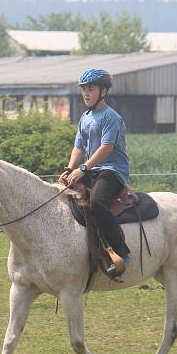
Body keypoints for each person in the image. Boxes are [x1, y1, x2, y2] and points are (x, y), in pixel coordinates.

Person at [59, 69, 132, 277]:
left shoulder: (111, 117)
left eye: (90, 88)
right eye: (83, 89)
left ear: (104, 91)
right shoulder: (85, 117)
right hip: (92, 170)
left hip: (112, 171)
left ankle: (122, 252)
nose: (86, 93)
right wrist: (70, 169)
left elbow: (106, 148)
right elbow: (78, 147)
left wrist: (82, 169)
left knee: (98, 202)